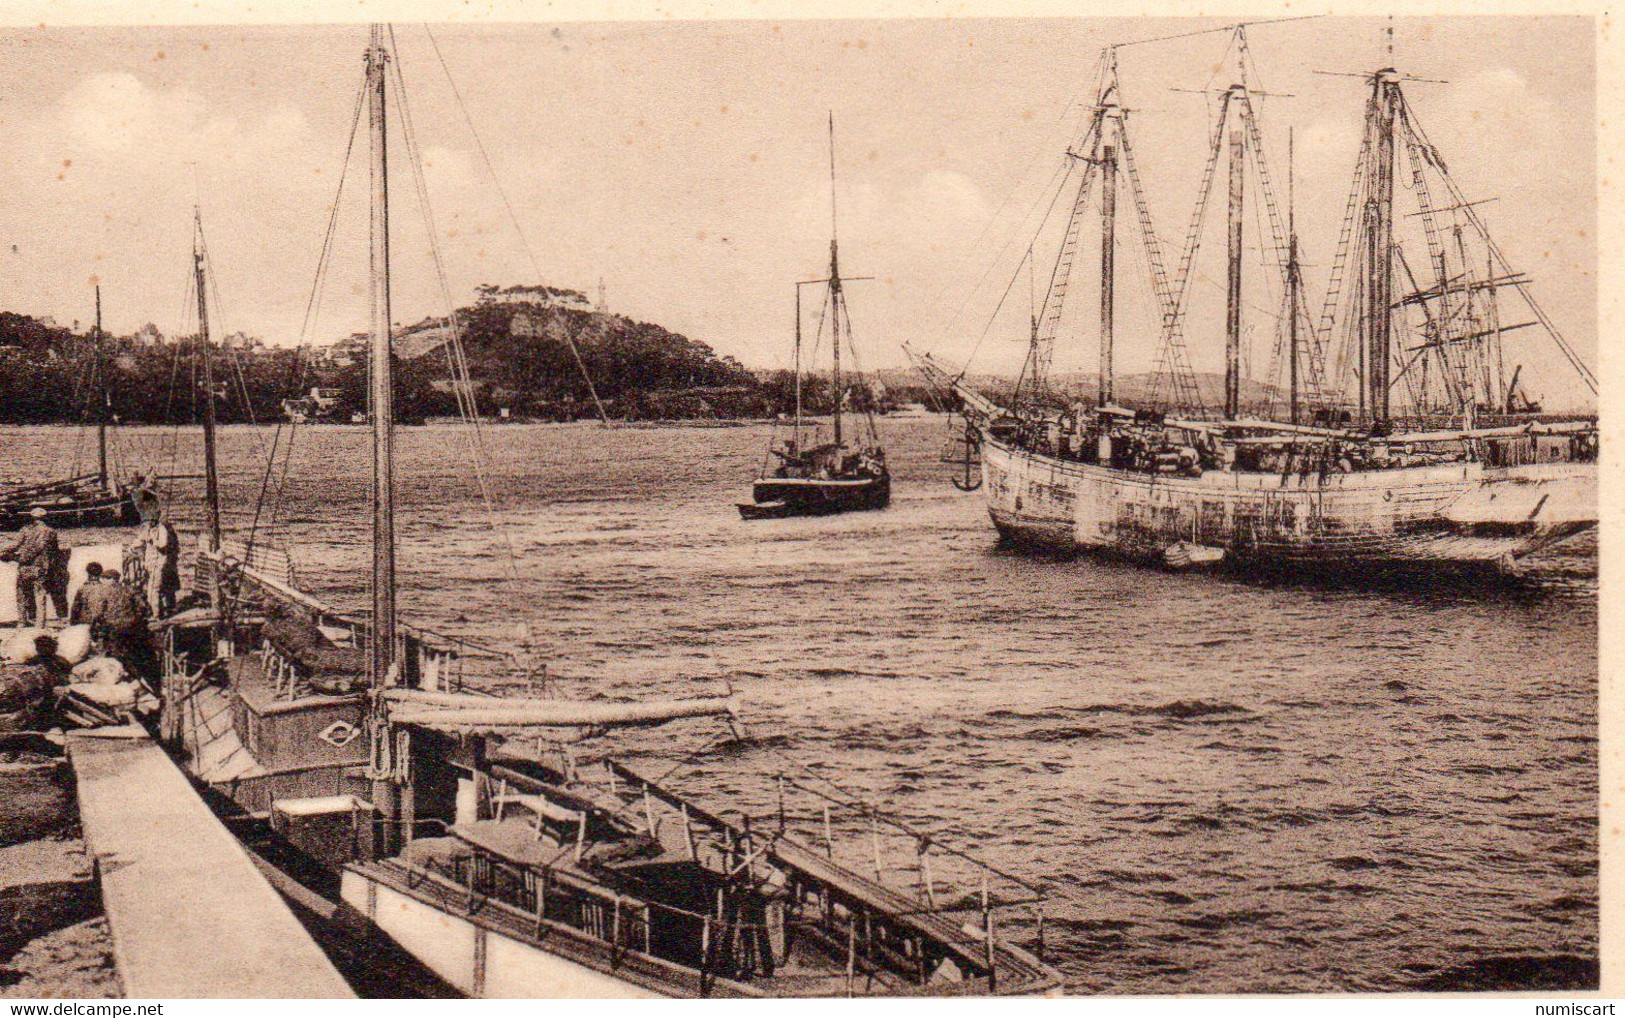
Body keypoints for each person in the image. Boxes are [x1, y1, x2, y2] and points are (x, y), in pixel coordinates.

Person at [0, 509, 60, 626]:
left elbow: (15, 545)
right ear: (45, 517)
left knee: (21, 594)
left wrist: (3, 550)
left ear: (32, 517)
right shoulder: (51, 531)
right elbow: (55, 551)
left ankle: (21, 622)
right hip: (40, 567)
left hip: (24, 566)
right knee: (40, 594)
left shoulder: (25, 530)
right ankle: (40, 623)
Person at [137, 509, 180, 618]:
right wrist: (134, 546)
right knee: (153, 588)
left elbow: (163, 544)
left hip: (159, 562)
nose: (147, 523)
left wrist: (153, 541)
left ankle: (154, 614)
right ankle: (159, 610)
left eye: (149, 520)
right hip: (150, 562)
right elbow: (140, 540)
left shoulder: (162, 529)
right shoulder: (147, 529)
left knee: (154, 589)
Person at [71, 561, 115, 628]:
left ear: (88, 573)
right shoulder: (106, 589)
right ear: (100, 573)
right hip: (101, 625)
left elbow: (75, 609)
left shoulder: (83, 589)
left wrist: (73, 624)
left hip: (85, 624)